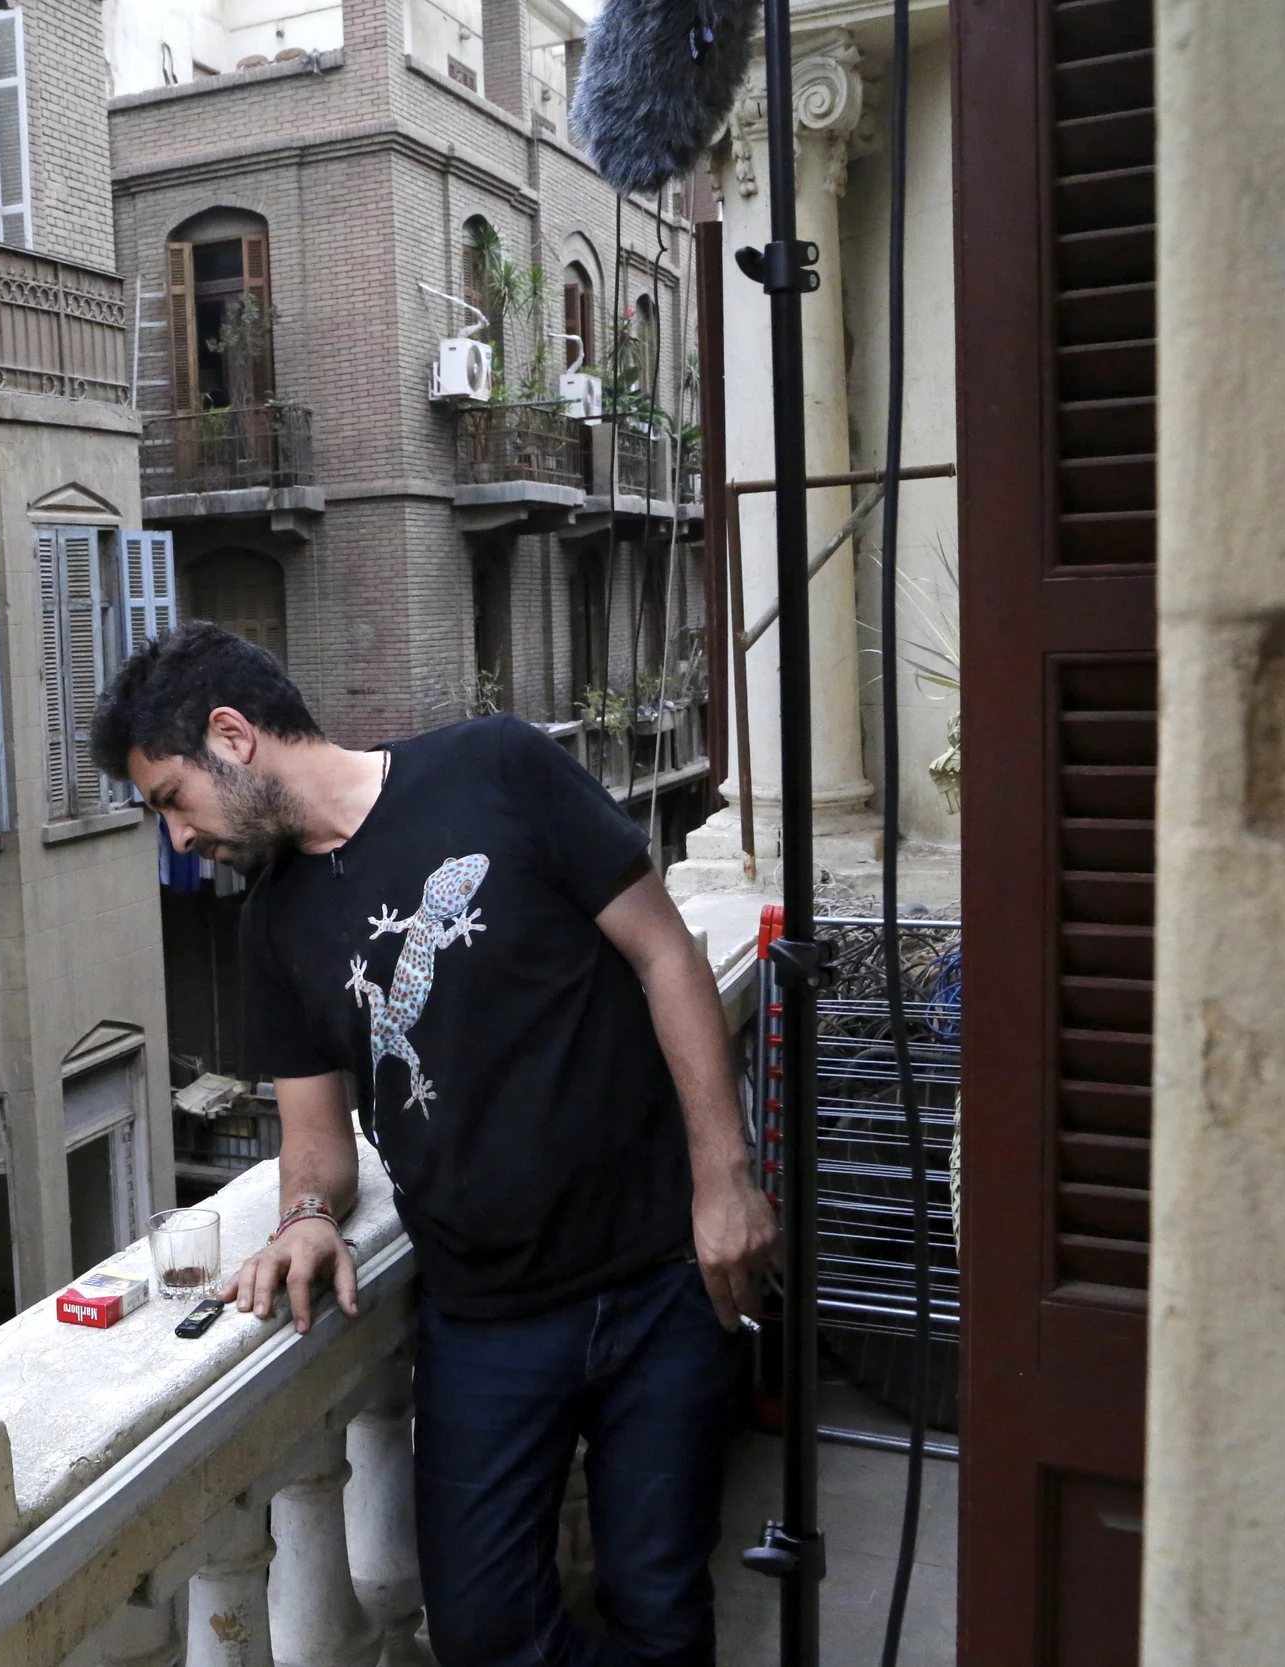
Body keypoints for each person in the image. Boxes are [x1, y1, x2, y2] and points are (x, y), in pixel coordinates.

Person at [91, 623, 777, 1667]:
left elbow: (665, 952)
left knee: (660, 1594)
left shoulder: (495, 764)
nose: (177, 840)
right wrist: (308, 1218)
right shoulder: (272, 928)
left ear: (231, 736)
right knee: (484, 1631)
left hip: (659, 1279)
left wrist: (725, 1180)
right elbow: (315, 1141)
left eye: (169, 800)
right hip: (485, 1321)